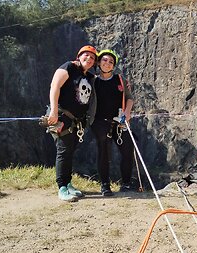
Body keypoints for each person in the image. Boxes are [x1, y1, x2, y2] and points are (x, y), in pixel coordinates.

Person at [47, 45, 98, 202]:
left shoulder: (89, 77)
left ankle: (68, 184)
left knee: (70, 151)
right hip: (63, 116)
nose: (88, 59)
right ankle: (62, 187)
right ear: (79, 56)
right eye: (86, 56)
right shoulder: (68, 67)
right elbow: (55, 86)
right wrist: (54, 111)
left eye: (92, 58)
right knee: (63, 151)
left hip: (78, 121)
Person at [90, 49, 134, 196]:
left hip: (120, 121)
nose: (107, 64)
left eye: (110, 62)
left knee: (127, 150)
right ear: (98, 62)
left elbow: (129, 97)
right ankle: (105, 185)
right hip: (100, 121)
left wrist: (127, 113)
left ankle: (126, 184)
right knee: (103, 152)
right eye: (104, 60)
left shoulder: (120, 80)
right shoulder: (93, 81)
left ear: (114, 66)